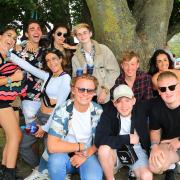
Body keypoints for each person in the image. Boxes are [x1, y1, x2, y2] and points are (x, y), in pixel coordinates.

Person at [9, 49, 71, 179]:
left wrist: (45, 128)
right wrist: (9, 54)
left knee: (51, 150)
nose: (51, 62)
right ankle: (40, 169)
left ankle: (49, 170)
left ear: (60, 59)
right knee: (22, 142)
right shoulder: (48, 76)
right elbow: (29, 67)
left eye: (54, 58)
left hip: (53, 123)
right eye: (48, 60)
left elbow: (59, 107)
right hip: (39, 119)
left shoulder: (65, 78)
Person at [47, 74, 103, 180]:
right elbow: (52, 146)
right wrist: (80, 146)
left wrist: (85, 153)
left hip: (89, 155)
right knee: (55, 161)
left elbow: (103, 139)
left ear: (94, 93)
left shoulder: (98, 111)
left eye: (89, 90)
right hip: (65, 155)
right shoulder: (62, 110)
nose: (85, 94)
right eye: (81, 89)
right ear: (73, 90)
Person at [95, 84, 152, 180]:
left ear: (133, 101)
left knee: (147, 176)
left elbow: (161, 105)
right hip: (115, 150)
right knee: (103, 150)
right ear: (114, 103)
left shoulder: (141, 108)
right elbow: (99, 140)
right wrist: (127, 138)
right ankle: (110, 177)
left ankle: (133, 170)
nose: (124, 105)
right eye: (119, 101)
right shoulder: (108, 113)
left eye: (127, 100)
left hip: (136, 150)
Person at [0, 26, 26, 180]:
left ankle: (4, 168)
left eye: (15, 38)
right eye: (8, 35)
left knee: (13, 137)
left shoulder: (7, 55)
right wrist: (13, 79)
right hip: (1, 101)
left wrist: (17, 45)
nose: (11, 39)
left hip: (10, 101)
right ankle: (9, 175)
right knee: (15, 135)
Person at [72, 23, 120, 104]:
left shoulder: (104, 50)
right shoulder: (75, 58)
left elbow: (114, 71)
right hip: (85, 96)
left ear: (90, 33)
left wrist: (105, 90)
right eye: (79, 34)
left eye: (85, 32)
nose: (82, 36)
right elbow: (75, 78)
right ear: (76, 37)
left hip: (103, 94)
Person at [149, 71, 180, 180]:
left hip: (176, 142)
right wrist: (154, 146)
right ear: (159, 91)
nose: (168, 92)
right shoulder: (156, 107)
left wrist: (179, 141)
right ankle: (173, 164)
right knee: (154, 165)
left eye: (171, 87)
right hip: (170, 145)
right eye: (163, 89)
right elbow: (155, 131)